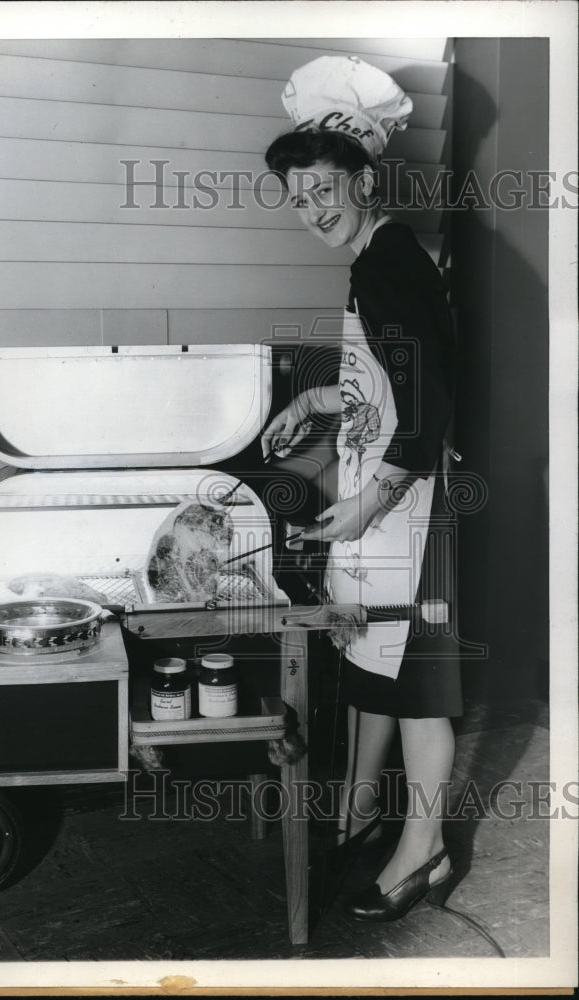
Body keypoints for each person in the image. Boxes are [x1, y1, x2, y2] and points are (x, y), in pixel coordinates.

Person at [260, 56, 461, 921]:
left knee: (417, 682)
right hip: (387, 499)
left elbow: (430, 402)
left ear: (364, 179)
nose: (311, 212)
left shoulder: (389, 261)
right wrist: (315, 397)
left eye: (322, 191)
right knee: (371, 659)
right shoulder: (377, 254)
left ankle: (427, 848)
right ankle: (362, 811)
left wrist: (372, 500)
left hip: (410, 506)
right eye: (297, 198)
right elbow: (387, 372)